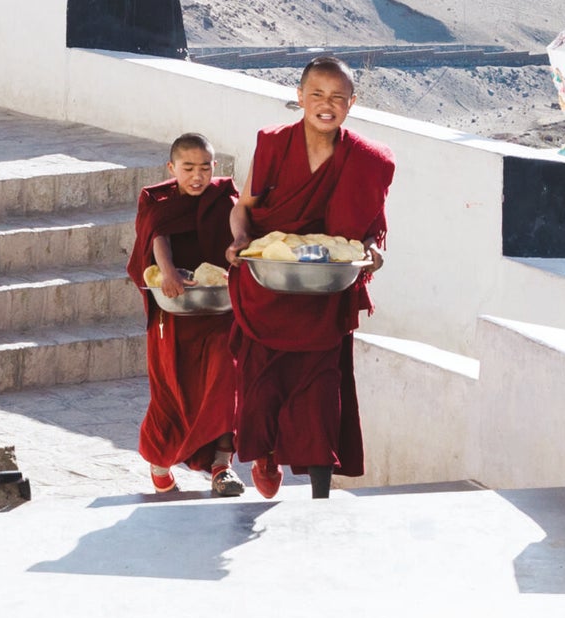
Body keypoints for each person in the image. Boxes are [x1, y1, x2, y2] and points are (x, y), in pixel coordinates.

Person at [226, 55, 395, 501]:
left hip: (323, 297)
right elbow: (244, 206)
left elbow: (371, 224)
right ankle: (263, 456)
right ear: (299, 97)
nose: (327, 105)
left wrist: (375, 251)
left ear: (352, 103)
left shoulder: (366, 159)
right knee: (262, 391)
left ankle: (320, 494)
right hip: (270, 290)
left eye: (338, 97)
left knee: (321, 397)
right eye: (316, 95)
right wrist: (240, 240)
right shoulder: (274, 144)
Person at [127, 134, 243, 497]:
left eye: (205, 168)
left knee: (226, 379)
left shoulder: (224, 195)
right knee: (172, 390)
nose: (198, 176)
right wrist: (169, 271)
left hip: (218, 306)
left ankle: (221, 465)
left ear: (214, 167)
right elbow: (155, 234)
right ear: (172, 168)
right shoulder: (157, 198)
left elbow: (241, 231)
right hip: (174, 310)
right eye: (188, 168)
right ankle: (160, 463)